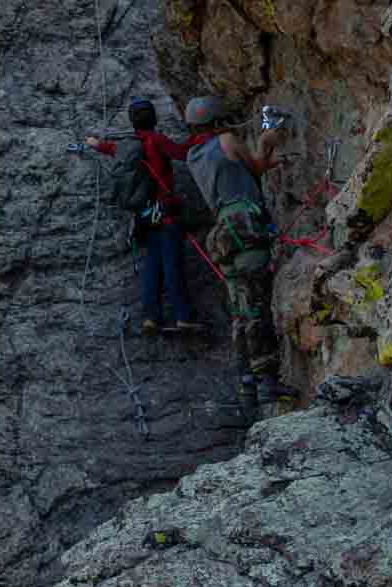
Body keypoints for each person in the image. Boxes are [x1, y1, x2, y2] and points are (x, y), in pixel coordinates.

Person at [186, 96, 299, 417]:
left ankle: (246, 384)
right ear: (217, 120)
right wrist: (266, 142)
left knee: (240, 311)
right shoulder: (226, 140)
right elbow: (254, 168)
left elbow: (241, 172)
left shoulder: (194, 155)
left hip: (223, 234)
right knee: (257, 307)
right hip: (245, 226)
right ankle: (267, 380)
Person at [93, 101, 205, 334]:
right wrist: (202, 136)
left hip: (144, 217)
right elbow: (183, 154)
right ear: (153, 118)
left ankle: (151, 317)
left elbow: (109, 148)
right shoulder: (157, 140)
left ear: (133, 122)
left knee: (152, 266)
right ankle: (183, 317)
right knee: (172, 265)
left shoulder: (127, 146)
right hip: (166, 214)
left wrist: (94, 143)